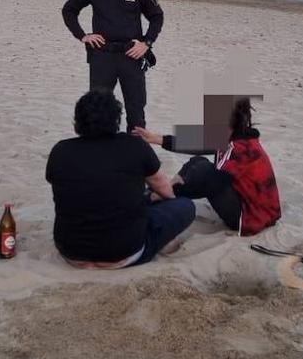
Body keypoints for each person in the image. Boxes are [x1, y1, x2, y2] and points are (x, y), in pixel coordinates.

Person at [46, 91, 195, 268]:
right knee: (185, 206)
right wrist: (165, 202)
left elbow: (72, 187)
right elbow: (164, 189)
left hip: (71, 251)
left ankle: (146, 201)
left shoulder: (60, 151)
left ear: (78, 121)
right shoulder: (134, 146)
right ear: (116, 120)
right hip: (124, 251)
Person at [133, 98, 281, 235]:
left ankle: (156, 197)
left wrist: (167, 191)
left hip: (250, 218)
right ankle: (161, 194)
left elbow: (211, 180)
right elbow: (196, 143)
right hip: (253, 206)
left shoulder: (239, 148)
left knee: (203, 170)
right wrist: (157, 139)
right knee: (198, 162)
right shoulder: (236, 135)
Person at [62, 0, 163, 133]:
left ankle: (134, 154)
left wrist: (146, 43)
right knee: (97, 110)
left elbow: (157, 16)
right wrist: (82, 35)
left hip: (131, 54)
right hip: (102, 55)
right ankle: (99, 153)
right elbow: (69, 10)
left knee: (136, 109)